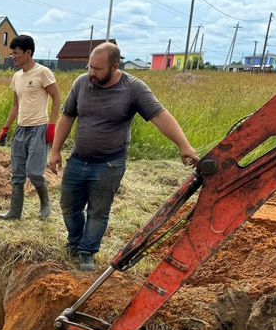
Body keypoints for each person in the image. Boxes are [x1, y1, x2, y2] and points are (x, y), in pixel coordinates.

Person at [50, 42, 199, 271]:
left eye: (97, 69)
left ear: (115, 66)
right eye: (90, 67)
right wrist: (56, 150)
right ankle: (75, 241)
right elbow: (68, 117)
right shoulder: (81, 83)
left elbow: (160, 116)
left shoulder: (133, 88)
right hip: (79, 159)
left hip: (109, 164)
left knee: (98, 211)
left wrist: (184, 145)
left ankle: (87, 252)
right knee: (69, 207)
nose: (92, 73)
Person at [0, 34, 61, 220]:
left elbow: (56, 98)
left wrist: (52, 126)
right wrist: (5, 128)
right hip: (21, 129)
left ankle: (45, 204)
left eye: (16, 53)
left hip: (39, 129)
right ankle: (15, 212)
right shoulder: (16, 77)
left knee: (34, 172)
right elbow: (15, 105)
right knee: (17, 173)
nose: (13, 57)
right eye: (12, 53)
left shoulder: (43, 72)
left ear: (28, 52)